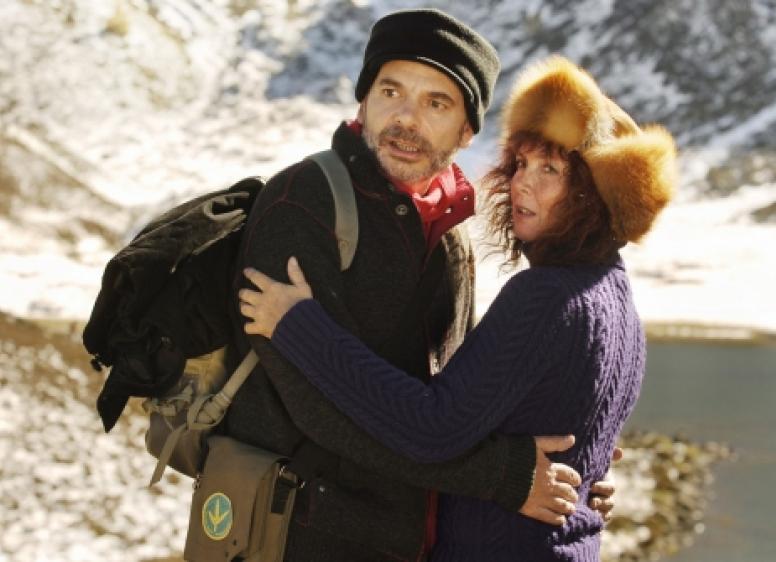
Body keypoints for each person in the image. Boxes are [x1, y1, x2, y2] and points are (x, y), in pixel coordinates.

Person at [238, 55, 677, 560]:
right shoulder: (620, 305)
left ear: (594, 197)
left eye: (551, 169)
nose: (522, 183)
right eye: (521, 163)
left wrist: (298, 327)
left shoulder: (546, 297)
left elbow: (432, 428)